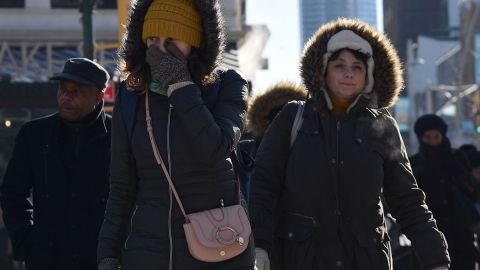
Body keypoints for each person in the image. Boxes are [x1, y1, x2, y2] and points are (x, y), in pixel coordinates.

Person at [249, 18, 450, 270]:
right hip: (301, 259)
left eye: (357, 67)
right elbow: (264, 185)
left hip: (366, 261)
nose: (348, 73)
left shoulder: (383, 126)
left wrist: (436, 260)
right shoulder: (293, 118)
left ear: (368, 75)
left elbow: (407, 199)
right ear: (323, 70)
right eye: (339, 65)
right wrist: (260, 245)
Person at [96, 0, 254, 269]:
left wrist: (180, 84)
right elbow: (122, 185)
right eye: (153, 39)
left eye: (172, 40)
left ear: (195, 42)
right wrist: (108, 253)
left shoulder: (228, 85)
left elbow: (215, 149)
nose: (159, 49)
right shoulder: (132, 96)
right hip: (149, 252)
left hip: (218, 247)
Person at [0, 57, 112, 270]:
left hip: (100, 259)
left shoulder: (118, 137)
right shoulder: (34, 135)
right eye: (62, 89)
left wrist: (118, 249)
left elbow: (132, 196)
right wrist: (27, 241)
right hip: (47, 258)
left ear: (99, 97)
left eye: (76, 91)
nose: (66, 96)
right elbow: (12, 193)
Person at [410, 114, 480, 270]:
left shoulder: (457, 157)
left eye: (436, 136)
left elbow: (472, 190)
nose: (433, 141)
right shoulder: (415, 163)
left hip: (460, 231)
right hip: (429, 233)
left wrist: (457, 174)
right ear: (421, 138)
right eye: (428, 137)